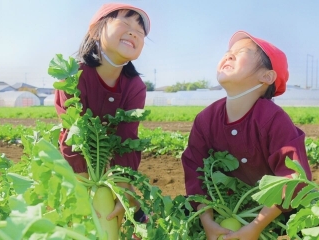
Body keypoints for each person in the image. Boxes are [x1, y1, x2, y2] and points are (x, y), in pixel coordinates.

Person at [181, 30, 312, 240]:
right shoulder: (205, 120)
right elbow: (194, 170)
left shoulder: (273, 119)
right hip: (221, 217)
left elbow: (294, 178)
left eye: (241, 52)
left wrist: (256, 226)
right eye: (228, 52)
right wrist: (207, 221)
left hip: (275, 221)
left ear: (266, 76)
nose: (229, 55)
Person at [54, 2, 150, 235]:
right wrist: (84, 189)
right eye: (125, 24)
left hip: (110, 174)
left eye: (140, 32)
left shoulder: (135, 86)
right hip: (75, 170)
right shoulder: (73, 74)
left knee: (138, 220)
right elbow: (72, 134)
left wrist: (124, 189)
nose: (133, 33)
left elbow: (127, 139)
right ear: (97, 30)